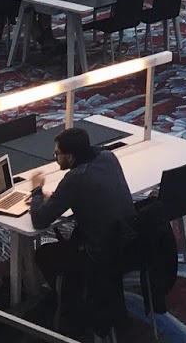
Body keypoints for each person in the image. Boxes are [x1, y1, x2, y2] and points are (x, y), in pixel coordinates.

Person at [30, 127, 137, 332]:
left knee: (44, 255)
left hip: (99, 254)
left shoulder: (75, 178)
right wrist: (60, 197)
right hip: (125, 242)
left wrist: (36, 191)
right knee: (72, 242)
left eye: (57, 154)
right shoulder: (108, 157)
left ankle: (71, 307)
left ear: (70, 157)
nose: (55, 158)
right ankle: (78, 292)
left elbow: (39, 220)